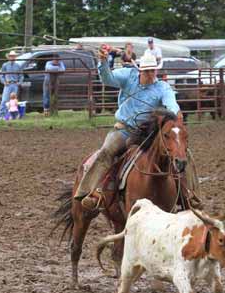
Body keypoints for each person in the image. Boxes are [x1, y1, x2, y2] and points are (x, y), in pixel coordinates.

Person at [74, 49, 199, 211]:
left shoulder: (162, 87)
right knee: (107, 151)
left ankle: (188, 194)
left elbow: (171, 103)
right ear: (140, 70)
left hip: (149, 133)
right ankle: (90, 192)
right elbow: (108, 79)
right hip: (123, 130)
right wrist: (103, 63)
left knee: (182, 153)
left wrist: (175, 114)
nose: (150, 74)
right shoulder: (128, 76)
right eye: (147, 71)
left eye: (153, 70)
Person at [0, 50, 23, 117]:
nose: (12, 57)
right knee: (4, 100)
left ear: (15, 57)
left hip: (15, 84)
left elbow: (21, 75)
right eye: (11, 56)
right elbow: (1, 75)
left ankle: (12, 115)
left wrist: (19, 83)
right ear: (9, 57)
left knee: (13, 101)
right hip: (8, 84)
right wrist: (4, 82)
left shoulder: (18, 65)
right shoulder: (5, 65)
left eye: (14, 56)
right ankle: (2, 115)